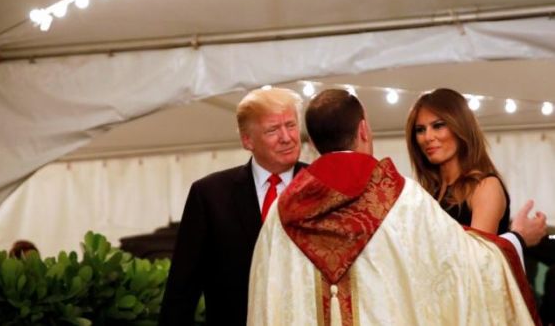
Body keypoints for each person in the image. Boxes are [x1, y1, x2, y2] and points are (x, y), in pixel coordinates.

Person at [248, 89, 543, 325]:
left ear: (311, 140)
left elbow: (264, 298)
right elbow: (467, 271)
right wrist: (517, 238)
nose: (429, 137)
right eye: (422, 129)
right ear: (364, 129)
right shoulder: (403, 198)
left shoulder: (281, 210)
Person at [159, 87, 307, 326]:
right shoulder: (209, 195)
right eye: (272, 130)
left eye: (290, 125)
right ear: (247, 140)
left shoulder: (323, 188)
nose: (286, 137)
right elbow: (182, 289)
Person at [406, 88, 546, 248]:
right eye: (420, 130)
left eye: (438, 126)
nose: (428, 137)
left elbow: (476, 260)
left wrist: (517, 238)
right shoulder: (427, 193)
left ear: (460, 127)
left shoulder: (484, 187)